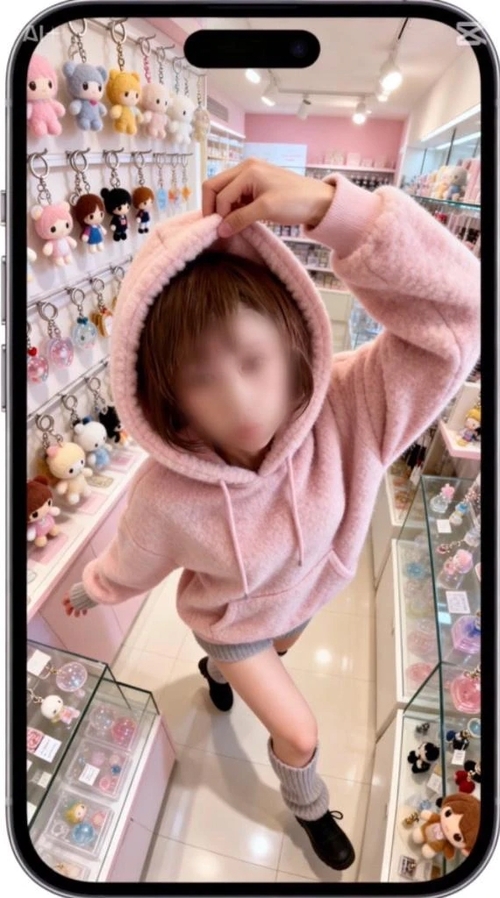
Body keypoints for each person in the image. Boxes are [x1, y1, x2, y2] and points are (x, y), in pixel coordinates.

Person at [63, 158, 480, 871]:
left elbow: (463, 314)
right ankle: (309, 806)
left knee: (277, 655)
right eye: (200, 378)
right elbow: (136, 555)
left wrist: (333, 210)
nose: (237, 400)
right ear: (167, 393)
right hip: (233, 624)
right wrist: (93, 587)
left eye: (252, 360)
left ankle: (217, 675)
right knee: (300, 730)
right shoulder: (165, 491)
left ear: (290, 344)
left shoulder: (350, 405)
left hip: (306, 595)